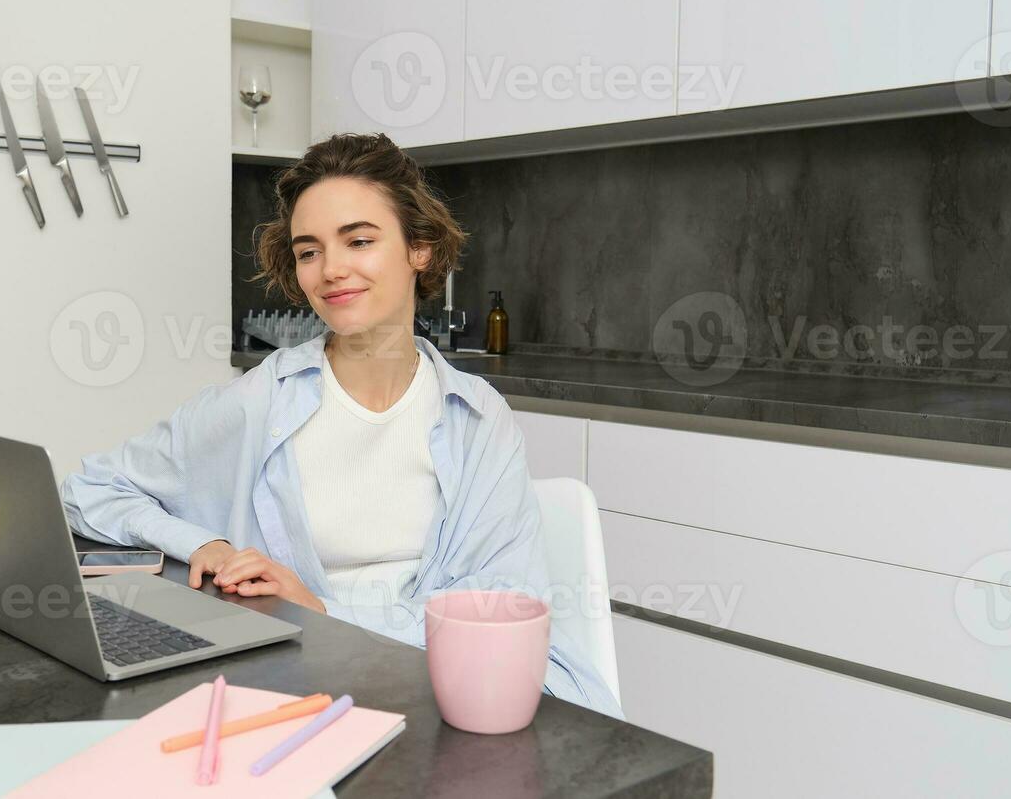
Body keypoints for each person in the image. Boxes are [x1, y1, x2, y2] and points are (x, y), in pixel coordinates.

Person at [62, 132, 619, 717]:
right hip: (297, 686)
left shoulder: (477, 417)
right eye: (309, 251)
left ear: (419, 249)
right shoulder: (261, 401)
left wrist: (324, 613)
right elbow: (90, 491)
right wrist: (205, 543)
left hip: (450, 689)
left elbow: (502, 607)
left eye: (359, 240)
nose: (331, 270)